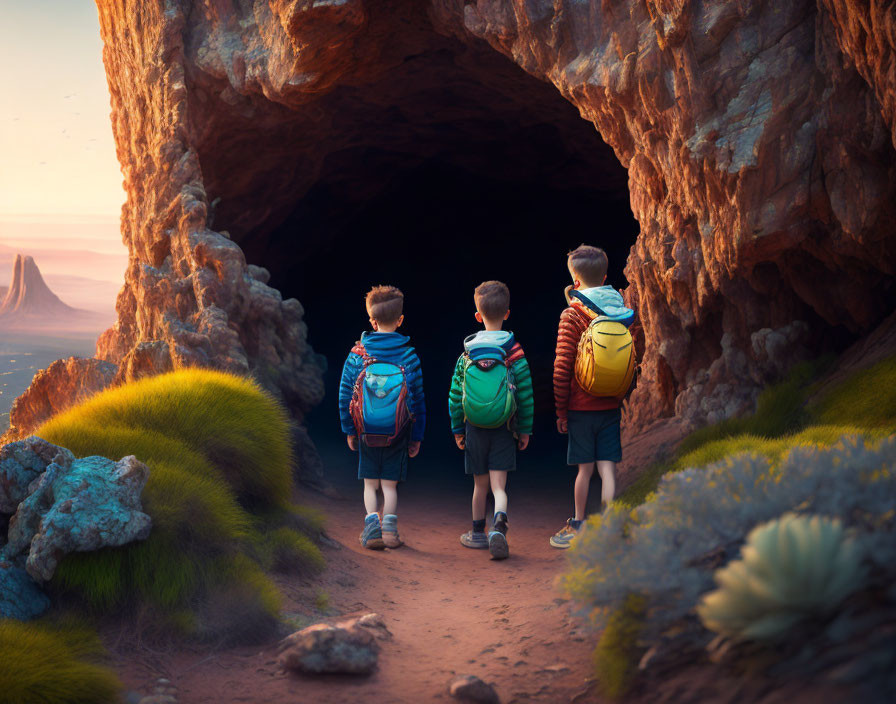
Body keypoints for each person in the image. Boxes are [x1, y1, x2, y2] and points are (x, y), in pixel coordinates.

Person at [550, 245, 637, 549]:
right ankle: (610, 526)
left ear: (575, 282)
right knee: (608, 469)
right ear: (604, 277)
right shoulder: (624, 311)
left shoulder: (572, 313)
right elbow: (633, 355)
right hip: (611, 404)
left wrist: (561, 411)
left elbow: (562, 367)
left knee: (584, 471)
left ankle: (578, 524)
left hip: (580, 407)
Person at [449, 280, 534, 560]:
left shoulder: (467, 352)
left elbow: (455, 394)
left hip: (474, 428)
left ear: (477, 316)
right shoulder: (514, 352)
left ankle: (477, 534)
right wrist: (524, 429)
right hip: (504, 427)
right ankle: (499, 522)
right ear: (507, 313)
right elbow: (525, 394)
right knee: (499, 487)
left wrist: (457, 428)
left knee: (479, 486)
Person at [339, 285, 425, 549]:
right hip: (398, 431)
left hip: (365, 430)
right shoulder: (409, 356)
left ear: (372, 321)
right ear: (400, 320)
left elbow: (345, 394)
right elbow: (418, 400)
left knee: (369, 484)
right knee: (389, 486)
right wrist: (416, 436)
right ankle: (389, 531)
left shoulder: (358, 354)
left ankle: (371, 525)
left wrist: (349, 430)